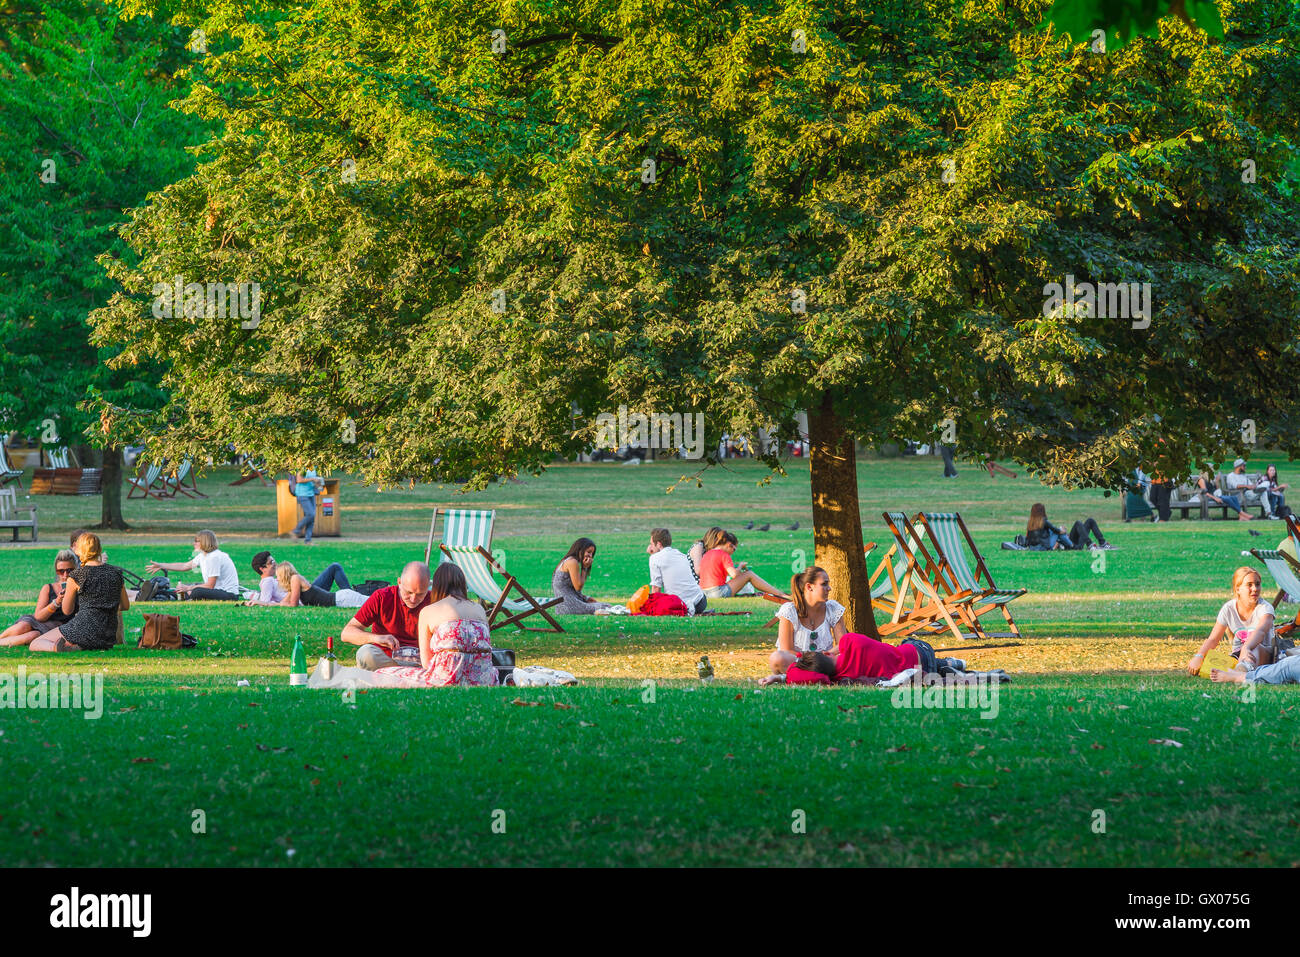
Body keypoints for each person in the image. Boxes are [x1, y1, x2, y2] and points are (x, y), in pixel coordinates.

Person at [369, 563, 497, 687]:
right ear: (463, 584)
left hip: (444, 680)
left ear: (436, 586)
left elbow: (426, 663)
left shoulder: (429, 611)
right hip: (483, 679)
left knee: (381, 673)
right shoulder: (479, 609)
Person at [31, 533, 129, 652]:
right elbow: (125, 606)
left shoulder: (77, 575)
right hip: (107, 635)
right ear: (99, 549)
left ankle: (59, 648)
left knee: (36, 643)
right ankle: (72, 646)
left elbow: (67, 610)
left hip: (83, 629)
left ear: (80, 550)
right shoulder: (116, 573)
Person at [763, 632, 967, 685]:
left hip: (921, 669)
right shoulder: (850, 641)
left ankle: (948, 665)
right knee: (902, 647)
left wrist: (782, 677)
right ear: (826, 653)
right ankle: (950, 663)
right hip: (920, 651)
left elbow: (817, 678)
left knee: (896, 659)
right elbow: (841, 644)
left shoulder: (845, 676)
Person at [341, 561, 432, 670]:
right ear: (399, 582)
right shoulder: (382, 597)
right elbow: (347, 633)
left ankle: (397, 673)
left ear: (428, 586)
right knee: (365, 655)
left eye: (420, 594)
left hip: (422, 659)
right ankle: (411, 673)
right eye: (408, 592)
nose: (413, 599)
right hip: (387, 657)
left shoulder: (435, 600)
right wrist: (377, 638)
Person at [1187, 567, 1277, 675]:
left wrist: (1246, 648)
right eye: (1249, 585)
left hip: (1264, 655)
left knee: (1255, 648)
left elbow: (1261, 632)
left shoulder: (1265, 608)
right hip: (1237, 656)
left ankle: (1242, 670)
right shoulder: (1229, 608)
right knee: (1207, 665)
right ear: (1238, 588)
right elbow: (1213, 639)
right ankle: (1238, 669)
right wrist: (1199, 656)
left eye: (1257, 584)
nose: (1255, 589)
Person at [769, 566, 847, 673]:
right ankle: (807, 674)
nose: (829, 588)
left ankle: (800, 676)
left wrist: (825, 656)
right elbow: (786, 650)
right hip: (799, 662)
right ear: (809, 587)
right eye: (824, 584)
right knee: (777, 658)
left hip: (825, 662)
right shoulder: (789, 611)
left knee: (848, 657)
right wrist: (811, 659)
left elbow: (843, 645)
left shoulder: (833, 608)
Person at [0, 550, 78, 646]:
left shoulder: (80, 588)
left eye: (69, 570)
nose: (65, 575)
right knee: (23, 627)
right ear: (56, 571)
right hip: (38, 620)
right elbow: (39, 617)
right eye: (61, 571)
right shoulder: (48, 588)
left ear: (76, 569)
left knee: (33, 636)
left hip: (55, 626)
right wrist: (56, 602)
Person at [145, 529, 242, 599]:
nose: (193, 544)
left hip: (229, 594)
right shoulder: (204, 555)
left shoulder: (214, 557)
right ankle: (161, 595)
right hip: (217, 590)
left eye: (197, 541)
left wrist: (188, 588)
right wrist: (162, 565)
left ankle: (176, 595)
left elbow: (210, 586)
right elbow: (184, 566)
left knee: (196, 591)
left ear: (205, 542)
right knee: (189, 587)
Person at [698, 531, 789, 600]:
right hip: (718, 592)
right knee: (749, 574)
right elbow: (734, 575)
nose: (732, 553)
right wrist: (740, 567)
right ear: (729, 545)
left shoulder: (708, 553)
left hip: (704, 593)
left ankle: (779, 593)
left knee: (746, 575)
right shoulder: (723, 554)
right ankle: (780, 594)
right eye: (734, 550)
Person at [246, 551, 359, 605]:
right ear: (262, 568)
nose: (275, 563)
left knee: (335, 568)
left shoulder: (271, 580)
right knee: (334, 567)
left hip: (304, 593)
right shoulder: (267, 581)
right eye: (271, 562)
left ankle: (350, 594)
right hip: (304, 597)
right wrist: (257, 602)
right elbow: (265, 601)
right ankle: (349, 593)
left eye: (274, 560)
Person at [647, 528, 706, 614]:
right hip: (700, 602)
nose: (650, 547)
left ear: (659, 544)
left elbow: (656, 588)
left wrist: (653, 607)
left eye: (651, 544)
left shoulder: (654, 559)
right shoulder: (681, 555)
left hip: (679, 604)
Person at [551, 538, 611, 614]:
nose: (590, 556)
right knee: (607, 606)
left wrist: (585, 598)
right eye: (588, 552)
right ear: (580, 550)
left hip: (563, 606)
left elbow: (570, 589)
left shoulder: (567, 560)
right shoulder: (572, 562)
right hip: (569, 607)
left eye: (592, 553)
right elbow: (578, 587)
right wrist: (585, 568)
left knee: (603, 605)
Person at [274, 561, 368, 608]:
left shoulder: (295, 578)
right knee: (375, 602)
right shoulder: (295, 580)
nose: (277, 579)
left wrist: (280, 604)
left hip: (343, 599)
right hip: (341, 598)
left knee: (375, 602)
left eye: (278, 576)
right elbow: (284, 602)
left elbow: (293, 604)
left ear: (284, 575)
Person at [1025, 503, 1113, 550]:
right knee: (1078, 523)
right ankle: (1090, 544)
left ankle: (1101, 543)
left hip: (1064, 540)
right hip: (1069, 544)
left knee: (1089, 521)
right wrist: (1062, 531)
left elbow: (1028, 539)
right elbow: (1058, 532)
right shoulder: (1044, 522)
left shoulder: (1030, 524)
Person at [291, 468, 325, 542]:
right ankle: (295, 531)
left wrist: (319, 484)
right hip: (302, 494)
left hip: (311, 494)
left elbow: (314, 482)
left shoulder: (314, 468)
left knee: (312, 518)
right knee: (310, 514)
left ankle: (308, 540)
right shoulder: (303, 468)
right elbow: (299, 480)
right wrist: (312, 479)